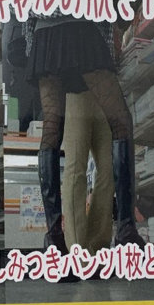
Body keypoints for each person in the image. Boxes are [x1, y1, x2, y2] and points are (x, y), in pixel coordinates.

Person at [5, 0, 144, 254]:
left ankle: (54, 235)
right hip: (83, 32)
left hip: (46, 38)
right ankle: (126, 227)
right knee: (121, 122)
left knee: (52, 130)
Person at [62, 91, 114, 255]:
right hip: (76, 88)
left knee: (110, 169)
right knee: (76, 168)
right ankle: (78, 249)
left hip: (105, 93)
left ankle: (98, 246)